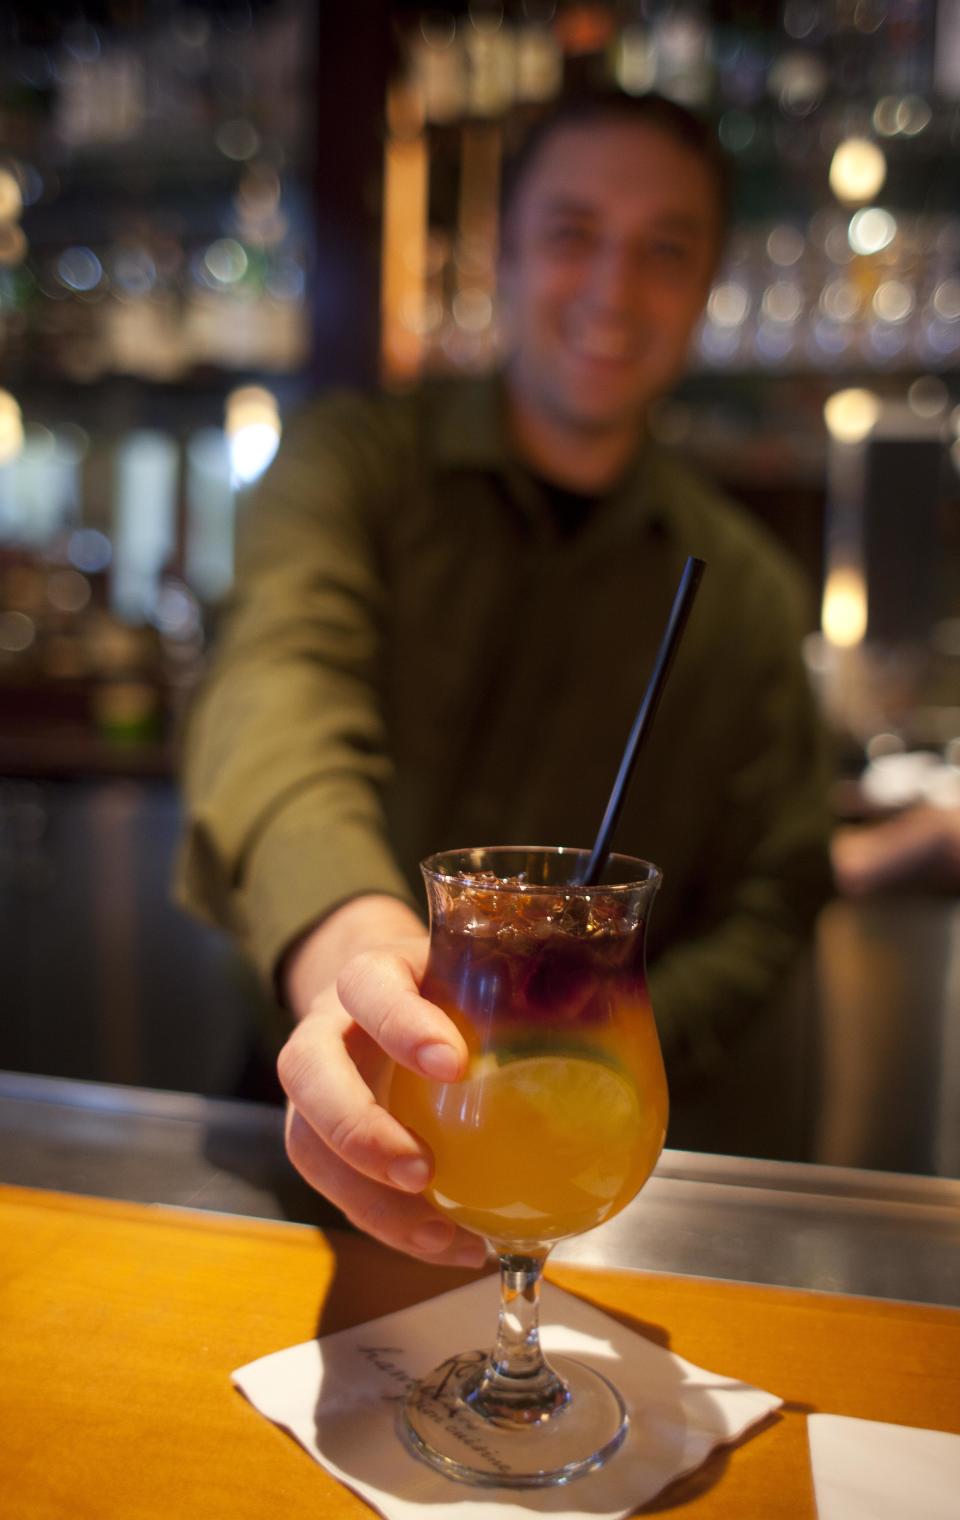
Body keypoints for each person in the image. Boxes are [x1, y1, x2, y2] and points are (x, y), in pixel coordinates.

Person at [176, 91, 834, 1268]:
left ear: (707, 286)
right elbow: (276, 698)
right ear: (503, 255)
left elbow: (772, 899)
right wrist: (363, 954)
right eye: (574, 232)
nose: (614, 288)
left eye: (665, 248)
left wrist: (581, 1050)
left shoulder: (747, 591)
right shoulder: (354, 468)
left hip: (589, 1201)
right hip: (318, 1139)